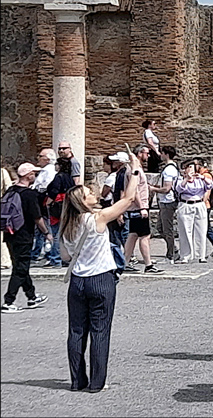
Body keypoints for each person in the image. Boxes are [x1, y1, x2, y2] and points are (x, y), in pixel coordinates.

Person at [58, 150, 141, 392]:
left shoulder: (66, 226)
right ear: (83, 202)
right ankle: (96, 383)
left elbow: (65, 257)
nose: (93, 195)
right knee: (100, 331)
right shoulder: (98, 218)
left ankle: (77, 380)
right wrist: (134, 171)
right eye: (88, 194)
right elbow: (128, 200)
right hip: (100, 278)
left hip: (77, 281)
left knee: (76, 331)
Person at [3, 163, 53, 313]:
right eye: (33, 173)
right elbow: (37, 217)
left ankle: (31, 296)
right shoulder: (29, 195)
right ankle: (8, 301)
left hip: (10, 233)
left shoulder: (10, 191)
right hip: (24, 235)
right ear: (27, 175)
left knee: (20, 265)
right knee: (20, 268)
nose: (35, 176)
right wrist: (46, 233)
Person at [121, 146, 161, 275]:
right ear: (139, 153)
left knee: (132, 235)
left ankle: (125, 262)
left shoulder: (134, 168)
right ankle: (148, 264)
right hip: (138, 207)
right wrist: (142, 207)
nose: (148, 156)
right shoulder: (135, 170)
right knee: (144, 235)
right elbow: (135, 189)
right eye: (147, 153)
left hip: (135, 207)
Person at [174, 161, 213, 264]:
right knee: (185, 231)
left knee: (201, 229)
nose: (191, 170)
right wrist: (186, 179)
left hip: (199, 204)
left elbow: (210, 185)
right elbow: (179, 189)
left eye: (193, 167)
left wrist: (202, 178)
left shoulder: (200, 180)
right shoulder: (180, 179)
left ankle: (201, 255)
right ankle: (185, 256)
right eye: (189, 167)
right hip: (186, 204)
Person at [42, 155, 77, 268]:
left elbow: (54, 191)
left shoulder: (59, 177)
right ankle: (66, 257)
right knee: (65, 234)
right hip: (67, 206)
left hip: (57, 207)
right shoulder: (70, 178)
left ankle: (55, 258)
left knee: (56, 234)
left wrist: (48, 202)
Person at [149, 145, 180, 263]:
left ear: (166, 154)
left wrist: (153, 189)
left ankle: (171, 254)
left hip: (167, 201)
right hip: (165, 201)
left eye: (162, 153)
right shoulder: (172, 168)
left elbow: (167, 188)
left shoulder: (169, 170)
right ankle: (173, 249)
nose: (160, 155)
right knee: (160, 227)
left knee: (167, 229)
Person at [29, 148, 57, 263]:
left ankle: (50, 252)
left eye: (40, 156)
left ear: (47, 159)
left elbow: (46, 185)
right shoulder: (44, 169)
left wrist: (35, 189)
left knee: (45, 226)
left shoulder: (49, 171)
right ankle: (36, 252)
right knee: (40, 228)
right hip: (41, 199)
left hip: (43, 200)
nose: (38, 158)